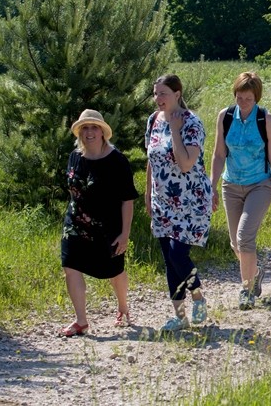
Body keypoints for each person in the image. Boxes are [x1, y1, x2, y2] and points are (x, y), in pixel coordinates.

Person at [210, 72, 271, 311]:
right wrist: (211, 185)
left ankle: (246, 290)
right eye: (239, 97)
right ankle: (255, 273)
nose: (243, 103)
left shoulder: (266, 119)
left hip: (259, 184)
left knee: (245, 237)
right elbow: (219, 154)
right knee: (236, 244)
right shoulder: (225, 117)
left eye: (248, 99)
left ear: (257, 98)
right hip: (231, 185)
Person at [58, 110, 138, 337]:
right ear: (79, 132)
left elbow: (127, 199)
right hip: (75, 223)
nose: (89, 132)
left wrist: (125, 233)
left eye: (94, 128)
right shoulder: (74, 156)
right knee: (70, 267)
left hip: (107, 226)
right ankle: (81, 320)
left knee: (115, 270)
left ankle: (123, 306)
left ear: (103, 132)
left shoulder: (117, 160)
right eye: (85, 128)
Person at [146, 74, 212, 332]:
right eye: (155, 93)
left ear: (177, 93)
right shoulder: (152, 120)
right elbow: (152, 159)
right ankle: (180, 315)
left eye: (163, 93)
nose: (158, 98)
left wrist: (174, 130)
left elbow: (185, 163)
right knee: (169, 259)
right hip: (162, 201)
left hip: (191, 201)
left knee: (178, 254)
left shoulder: (191, 123)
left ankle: (197, 296)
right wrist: (148, 195)